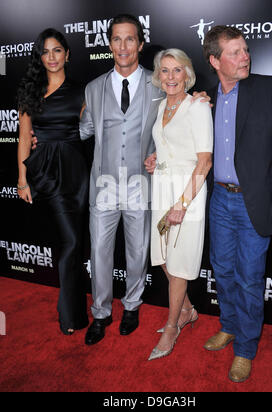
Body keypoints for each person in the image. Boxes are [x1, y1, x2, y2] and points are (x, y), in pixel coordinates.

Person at [202, 25, 272, 382]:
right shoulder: (206, 99)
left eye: (245, 50)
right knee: (223, 271)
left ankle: (245, 347)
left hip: (253, 203)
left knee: (249, 278)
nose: (245, 57)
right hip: (219, 201)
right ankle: (229, 326)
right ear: (215, 61)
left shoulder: (270, 87)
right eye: (235, 52)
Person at [79, 14, 165, 346]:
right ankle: (100, 313)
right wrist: (46, 134)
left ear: (140, 44)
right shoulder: (94, 87)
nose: (123, 46)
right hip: (102, 184)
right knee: (99, 251)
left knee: (137, 249)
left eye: (130, 39)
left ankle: (132, 306)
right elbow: (84, 130)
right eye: (117, 39)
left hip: (141, 182)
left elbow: (171, 125)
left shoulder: (158, 84)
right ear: (110, 44)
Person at [17, 28, 89, 336]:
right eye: (46, 52)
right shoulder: (29, 93)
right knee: (71, 242)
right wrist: (22, 179)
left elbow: (96, 127)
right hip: (46, 171)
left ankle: (74, 310)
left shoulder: (82, 91)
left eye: (57, 50)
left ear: (67, 54)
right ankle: (69, 314)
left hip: (77, 170)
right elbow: (23, 137)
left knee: (75, 243)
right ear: (40, 57)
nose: (52, 57)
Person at [147, 49, 213, 361]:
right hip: (161, 189)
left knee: (179, 263)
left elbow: (205, 160)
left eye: (177, 70)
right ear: (158, 76)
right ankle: (187, 309)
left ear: (187, 74)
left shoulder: (197, 106)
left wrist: (183, 204)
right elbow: (169, 145)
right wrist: (154, 157)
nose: (171, 77)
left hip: (187, 192)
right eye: (165, 71)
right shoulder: (161, 105)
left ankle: (172, 325)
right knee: (161, 258)